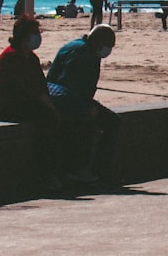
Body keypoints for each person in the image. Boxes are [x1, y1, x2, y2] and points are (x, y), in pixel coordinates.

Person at [0, 14, 61, 189]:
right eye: (35, 32)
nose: (38, 36)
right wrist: (50, 107)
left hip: (26, 103)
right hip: (9, 106)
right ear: (25, 35)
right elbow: (30, 89)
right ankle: (45, 172)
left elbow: (40, 86)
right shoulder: (12, 56)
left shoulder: (31, 57)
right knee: (46, 120)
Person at [46, 24, 120, 183]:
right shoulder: (84, 54)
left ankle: (90, 169)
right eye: (108, 46)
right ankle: (90, 170)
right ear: (100, 42)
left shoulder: (78, 46)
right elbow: (71, 86)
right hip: (65, 100)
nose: (108, 51)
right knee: (110, 122)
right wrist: (87, 107)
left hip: (61, 97)